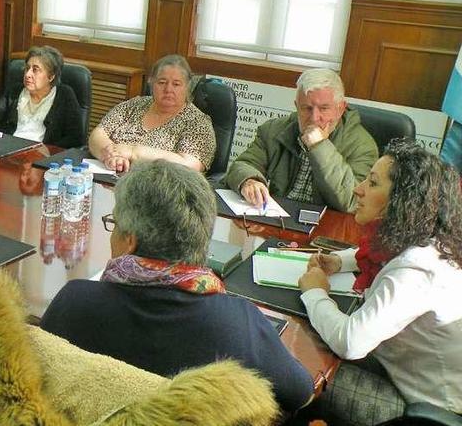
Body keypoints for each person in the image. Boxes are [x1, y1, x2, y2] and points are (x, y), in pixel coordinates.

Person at [39, 160, 313, 412]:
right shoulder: (239, 323)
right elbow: (300, 392)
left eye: (114, 224)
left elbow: (39, 376)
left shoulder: (74, 301)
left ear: (130, 241)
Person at [298, 139, 462, 425]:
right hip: (405, 368)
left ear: (400, 201)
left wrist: (315, 292)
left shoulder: (416, 272)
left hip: (429, 407)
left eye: (372, 183)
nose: (358, 189)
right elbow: (382, 252)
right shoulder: (429, 240)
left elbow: (350, 343)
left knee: (299, 372)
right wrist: (339, 261)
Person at [225, 68, 378, 212]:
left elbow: (351, 202)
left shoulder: (363, 146)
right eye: (307, 108)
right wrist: (249, 181)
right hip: (280, 217)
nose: (314, 118)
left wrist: (320, 147)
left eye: (324, 108)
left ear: (341, 108)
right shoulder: (274, 130)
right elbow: (243, 164)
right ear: (297, 106)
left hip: (325, 226)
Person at [88, 54, 215, 173]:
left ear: (187, 87)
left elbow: (191, 165)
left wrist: (133, 152)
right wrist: (111, 155)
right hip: (109, 175)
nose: (168, 89)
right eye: (162, 82)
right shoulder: (134, 105)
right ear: (152, 83)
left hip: (157, 189)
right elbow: (99, 133)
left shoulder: (197, 123)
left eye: (176, 84)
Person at [0, 46, 83, 148]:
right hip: (8, 151)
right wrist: (1, 143)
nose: (27, 74)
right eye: (27, 68)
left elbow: (76, 138)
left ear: (51, 76)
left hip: (43, 157)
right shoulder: (15, 91)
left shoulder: (65, 95)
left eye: (35, 69)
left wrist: (48, 151)